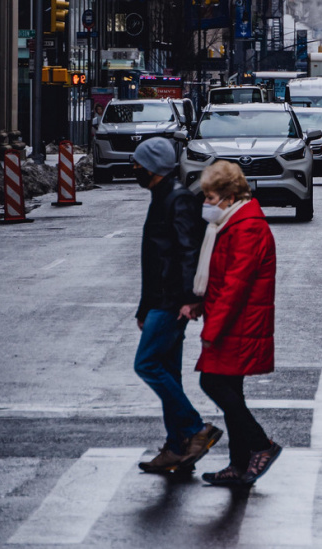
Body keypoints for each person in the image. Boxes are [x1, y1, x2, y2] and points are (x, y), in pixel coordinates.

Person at [187, 161, 282, 487]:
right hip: (231, 320)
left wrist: (211, 331)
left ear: (228, 196)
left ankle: (261, 445)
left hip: (237, 323)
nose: (206, 204)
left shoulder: (246, 228)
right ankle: (239, 465)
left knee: (213, 384)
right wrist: (201, 303)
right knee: (231, 392)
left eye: (210, 197)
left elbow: (235, 285)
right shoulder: (231, 223)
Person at [132, 137, 223, 474]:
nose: (134, 168)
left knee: (147, 364)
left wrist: (188, 299)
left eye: (138, 163)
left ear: (153, 166)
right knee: (167, 371)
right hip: (161, 299)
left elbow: (187, 251)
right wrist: (144, 308)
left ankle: (194, 428)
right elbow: (153, 260)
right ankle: (177, 448)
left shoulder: (176, 199)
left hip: (172, 302)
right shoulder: (161, 196)